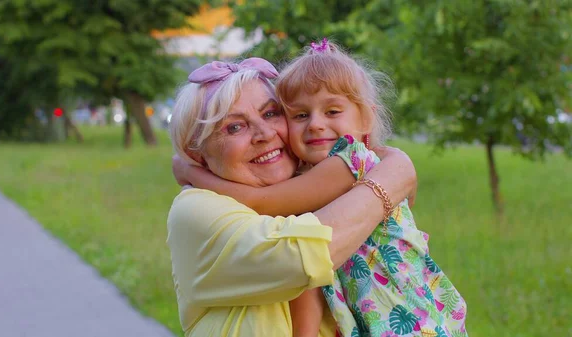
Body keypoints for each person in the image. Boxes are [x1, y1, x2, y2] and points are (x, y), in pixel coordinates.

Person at [173, 40, 467, 337]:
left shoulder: (348, 163)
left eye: (270, 113)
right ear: (198, 152)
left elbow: (262, 204)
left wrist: (191, 172)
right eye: (234, 127)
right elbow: (305, 268)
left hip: (407, 317)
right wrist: (396, 172)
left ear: (365, 117)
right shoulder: (196, 209)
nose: (264, 134)